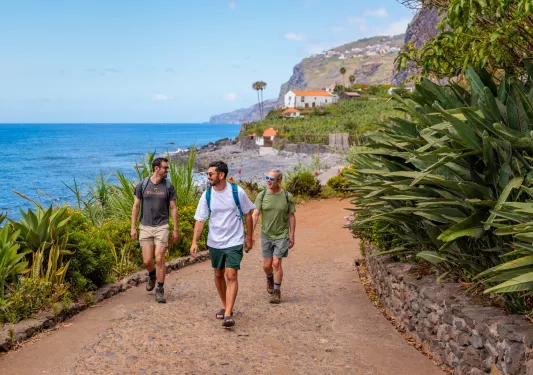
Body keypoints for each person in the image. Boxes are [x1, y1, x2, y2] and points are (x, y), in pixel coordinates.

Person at [190, 161, 255, 328]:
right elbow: (200, 219)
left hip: (234, 240)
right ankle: (226, 305)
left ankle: (227, 314)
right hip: (215, 241)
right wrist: (194, 242)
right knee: (218, 274)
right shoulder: (207, 195)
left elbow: (248, 213)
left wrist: (249, 237)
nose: (208, 176)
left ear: (221, 175)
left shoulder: (236, 192)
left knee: (231, 275)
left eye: (210, 174)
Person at [131, 157, 179, 303]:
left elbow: (173, 208)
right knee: (147, 261)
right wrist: (133, 227)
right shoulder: (142, 185)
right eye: (165, 168)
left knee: (159, 258)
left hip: (162, 226)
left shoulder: (168, 186)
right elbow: (136, 206)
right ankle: (152, 274)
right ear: (156, 168)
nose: (167, 170)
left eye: (167, 168)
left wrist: (175, 229)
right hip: (145, 227)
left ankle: (160, 288)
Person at [252, 169, 296, 304]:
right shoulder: (262, 195)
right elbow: (255, 214)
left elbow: (291, 216)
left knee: (276, 262)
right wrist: (250, 234)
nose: (268, 181)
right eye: (267, 178)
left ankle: (277, 292)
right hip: (266, 235)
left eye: (272, 179)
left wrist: (292, 234)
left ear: (279, 181)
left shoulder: (287, 196)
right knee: (267, 265)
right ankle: (269, 277)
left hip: (281, 235)